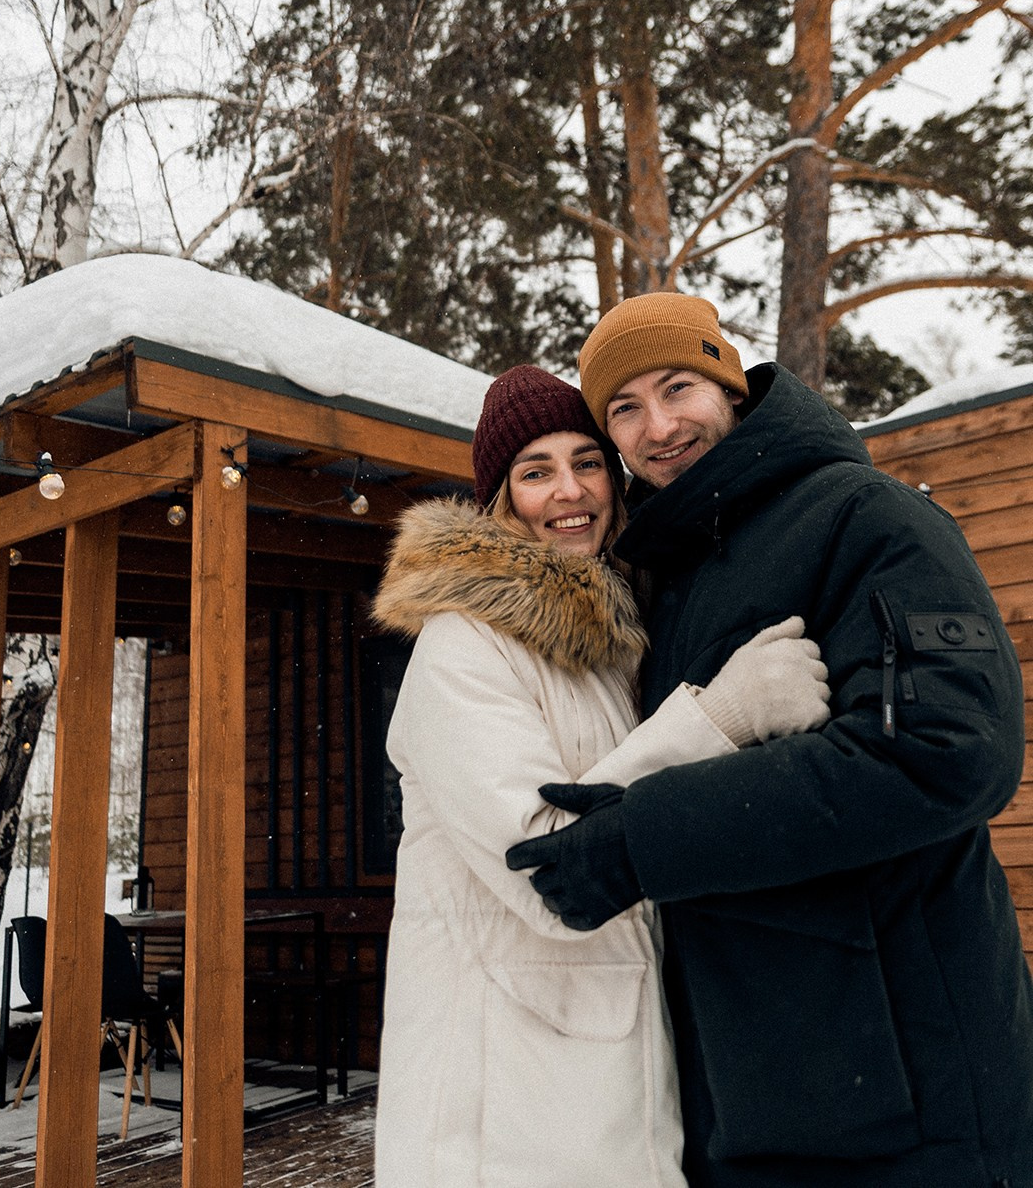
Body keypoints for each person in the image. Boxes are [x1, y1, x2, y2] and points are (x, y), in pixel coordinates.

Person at [506, 295, 1033, 1188]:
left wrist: (640, 840)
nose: (659, 426)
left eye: (679, 388)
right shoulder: (663, 571)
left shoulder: (867, 518)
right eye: (625, 409)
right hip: (753, 1099)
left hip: (909, 1102)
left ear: (732, 385)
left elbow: (946, 751)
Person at [372, 364, 831, 1188]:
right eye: (536, 472)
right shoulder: (462, 648)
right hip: (500, 1113)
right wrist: (719, 717)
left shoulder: (610, 651)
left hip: (620, 1095)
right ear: (501, 502)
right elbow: (545, 866)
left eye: (587, 462)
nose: (569, 491)